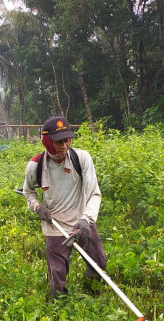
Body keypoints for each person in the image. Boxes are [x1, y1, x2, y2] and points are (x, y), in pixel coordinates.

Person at [22, 116, 107, 299]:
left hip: (82, 221)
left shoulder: (81, 158)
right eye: (58, 142)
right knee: (57, 275)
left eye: (67, 140)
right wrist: (37, 207)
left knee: (99, 262)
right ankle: (59, 309)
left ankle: (91, 291)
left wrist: (86, 219)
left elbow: (94, 193)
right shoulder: (35, 166)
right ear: (46, 141)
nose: (64, 146)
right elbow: (28, 192)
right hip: (55, 225)